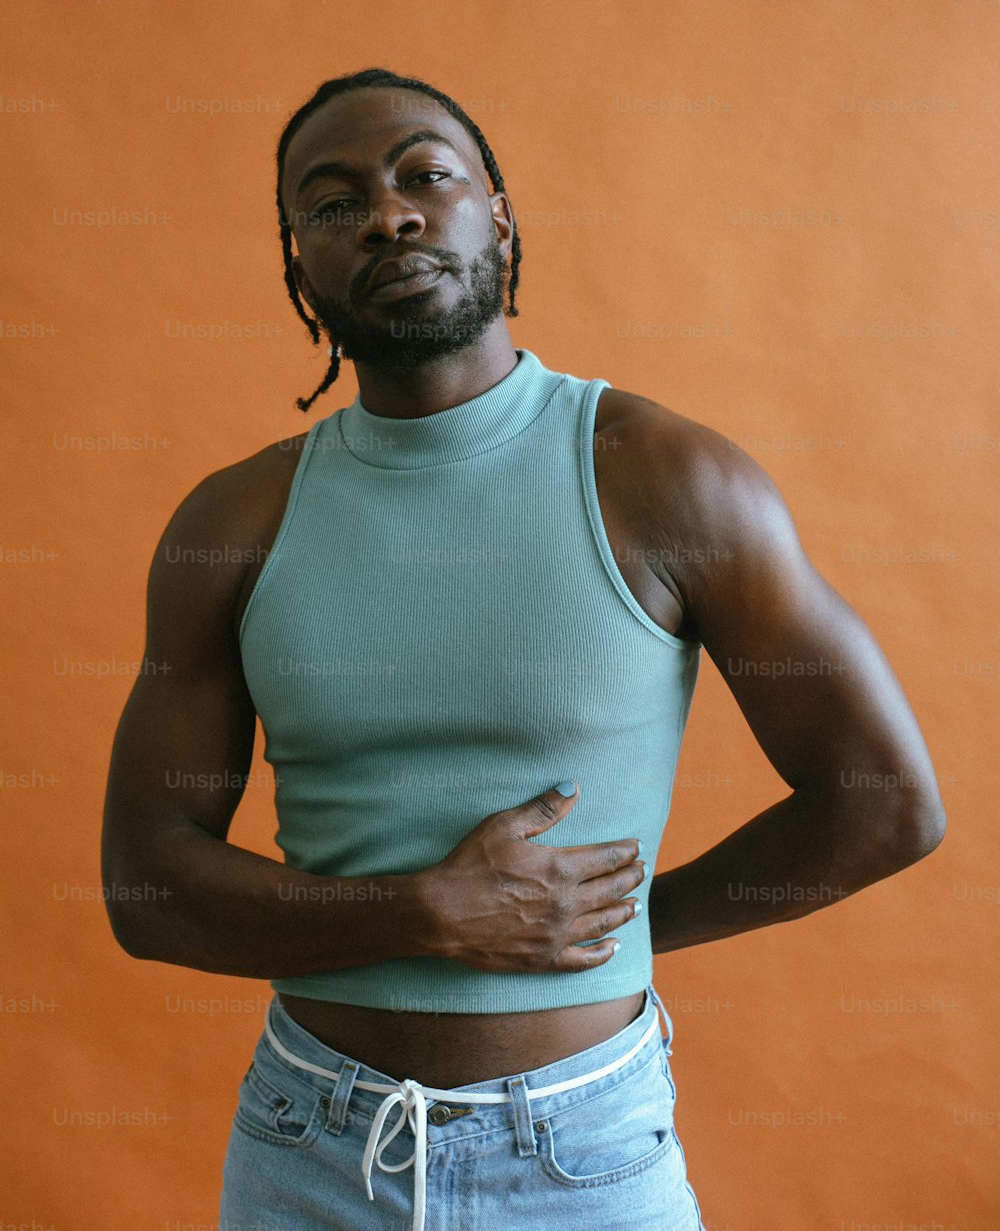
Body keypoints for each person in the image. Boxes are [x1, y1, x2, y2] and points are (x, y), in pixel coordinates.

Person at [101, 67, 947, 1231]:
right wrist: (423, 913)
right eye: (334, 202)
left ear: (495, 211)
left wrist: (616, 929)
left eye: (423, 177)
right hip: (308, 1147)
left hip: (582, 1148)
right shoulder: (233, 524)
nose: (388, 214)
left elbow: (884, 803)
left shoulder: (664, 479)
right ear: (298, 257)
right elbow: (145, 885)